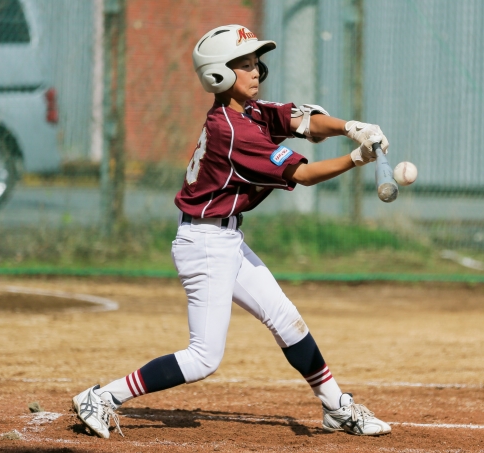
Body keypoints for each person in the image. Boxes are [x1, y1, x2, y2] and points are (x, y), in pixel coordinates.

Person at [72, 24, 391, 439]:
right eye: (244, 64)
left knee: (286, 319)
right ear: (218, 74)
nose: (255, 71)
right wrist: (357, 158)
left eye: (256, 63)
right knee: (204, 357)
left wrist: (351, 126)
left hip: (224, 238)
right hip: (204, 244)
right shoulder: (232, 130)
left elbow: (302, 121)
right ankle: (102, 397)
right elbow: (305, 174)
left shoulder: (249, 112)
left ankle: (336, 407)